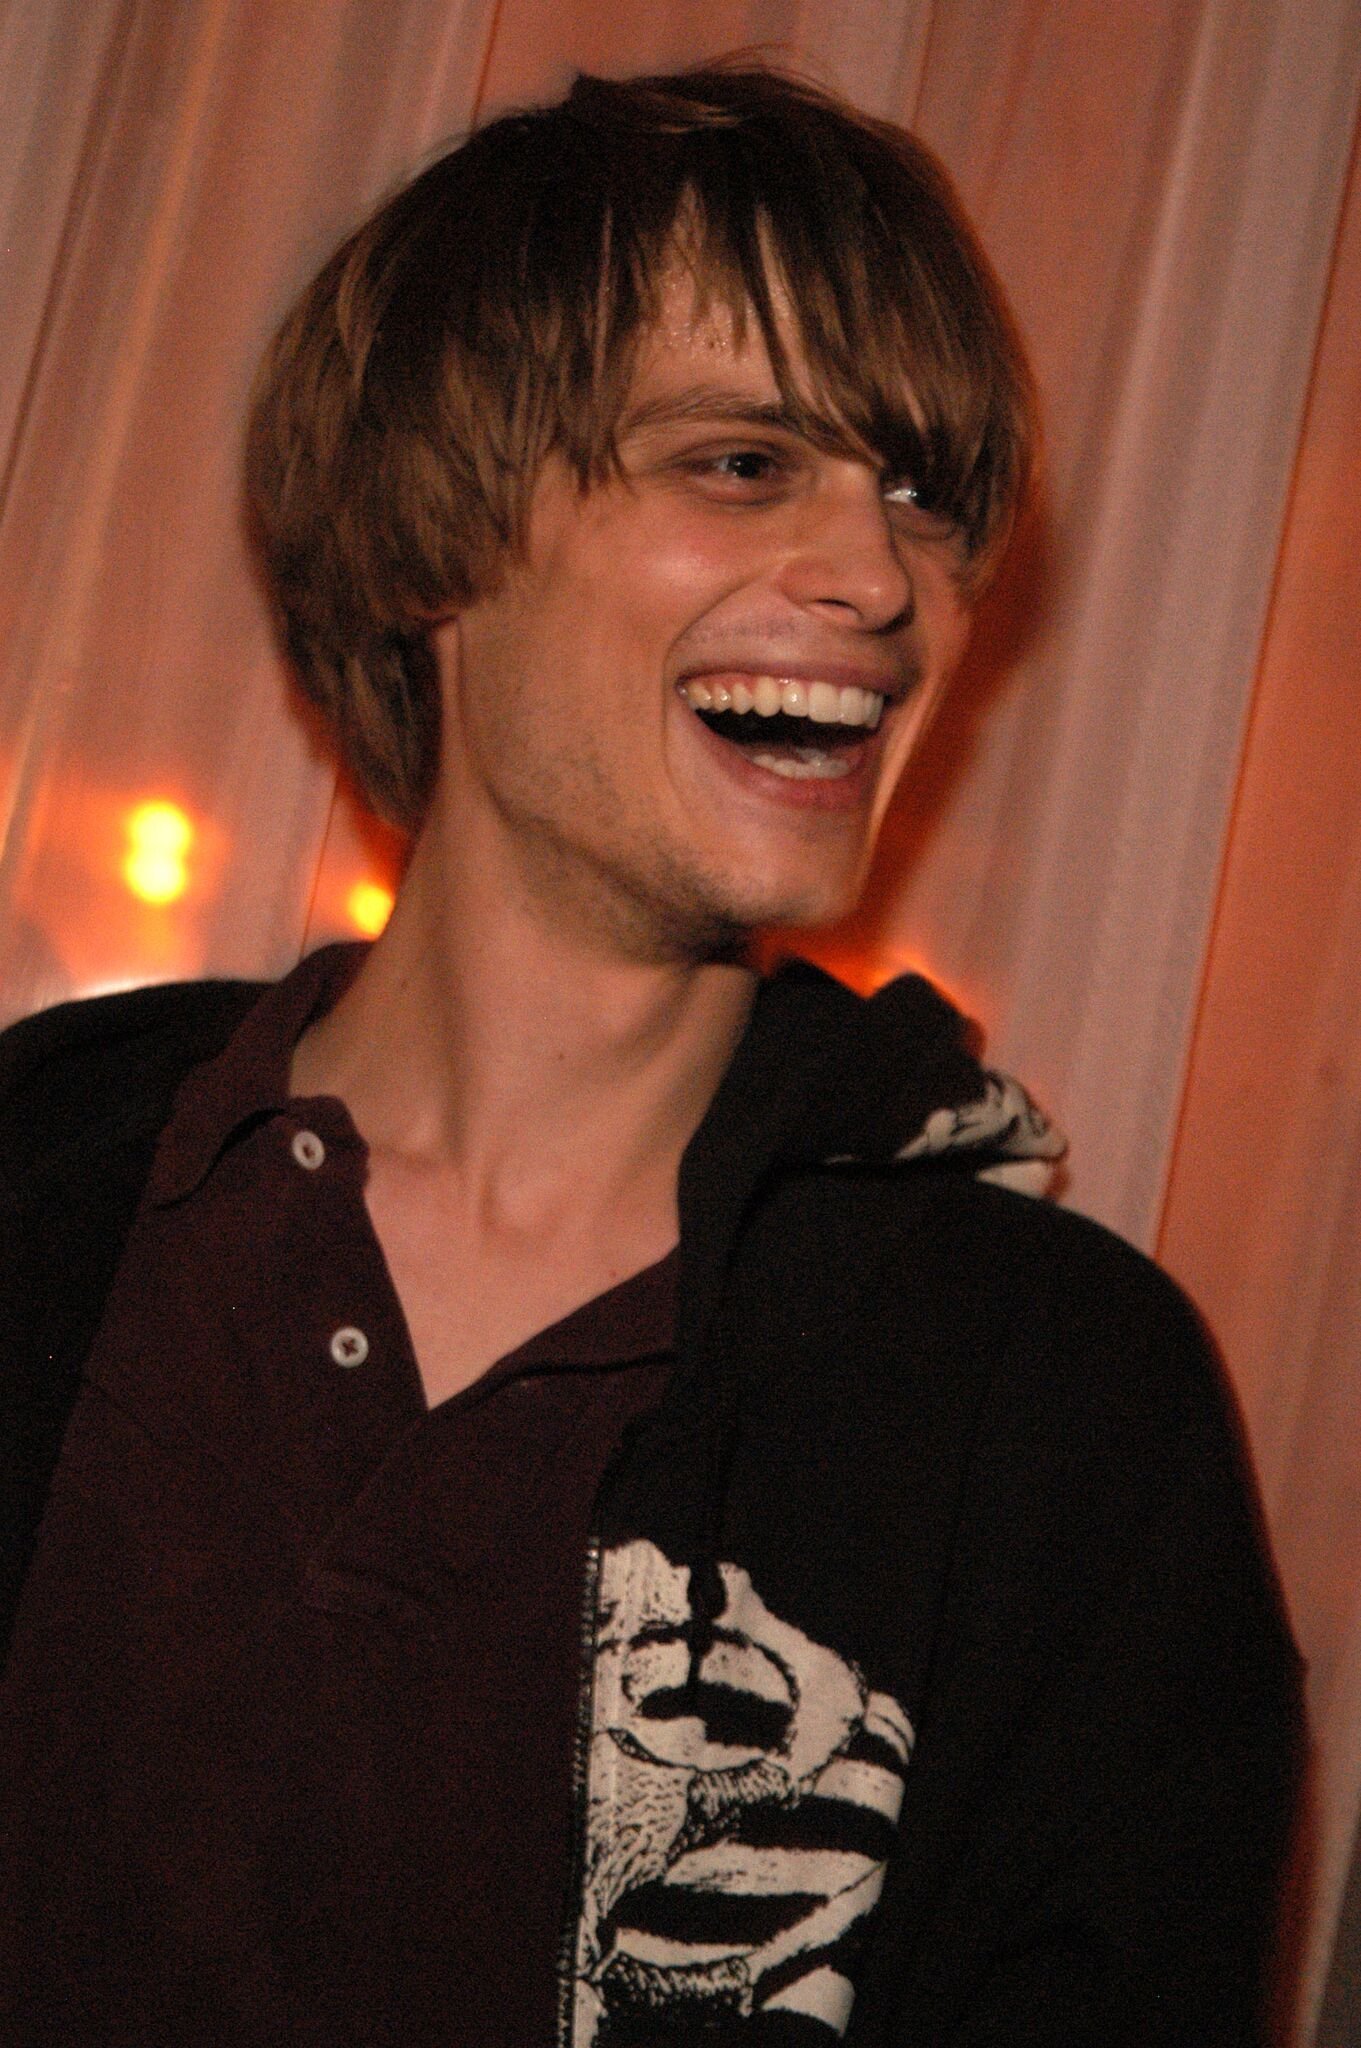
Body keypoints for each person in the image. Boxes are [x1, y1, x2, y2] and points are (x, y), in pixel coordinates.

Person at [0, 63, 1300, 2048]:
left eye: (921, 494)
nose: (879, 582)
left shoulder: (1056, 1409)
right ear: (438, 531)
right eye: (744, 463)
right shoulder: (44, 1175)